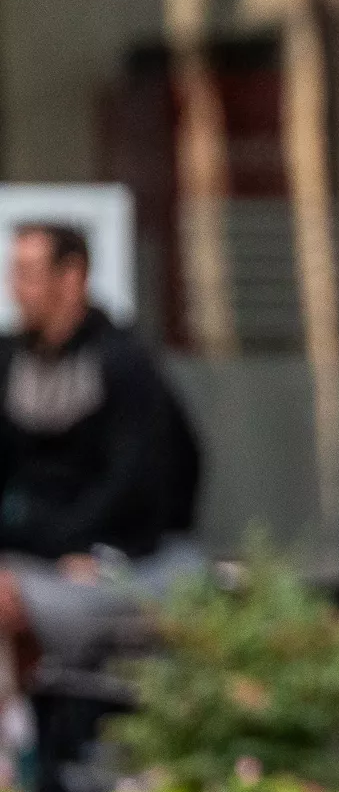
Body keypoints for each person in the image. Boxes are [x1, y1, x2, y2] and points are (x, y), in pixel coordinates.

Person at [0, 223, 206, 667]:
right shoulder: (11, 359)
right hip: (31, 549)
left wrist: (85, 548)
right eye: (13, 273)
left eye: (28, 273)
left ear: (71, 277)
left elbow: (141, 480)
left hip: (112, 559)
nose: (17, 290)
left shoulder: (122, 364)